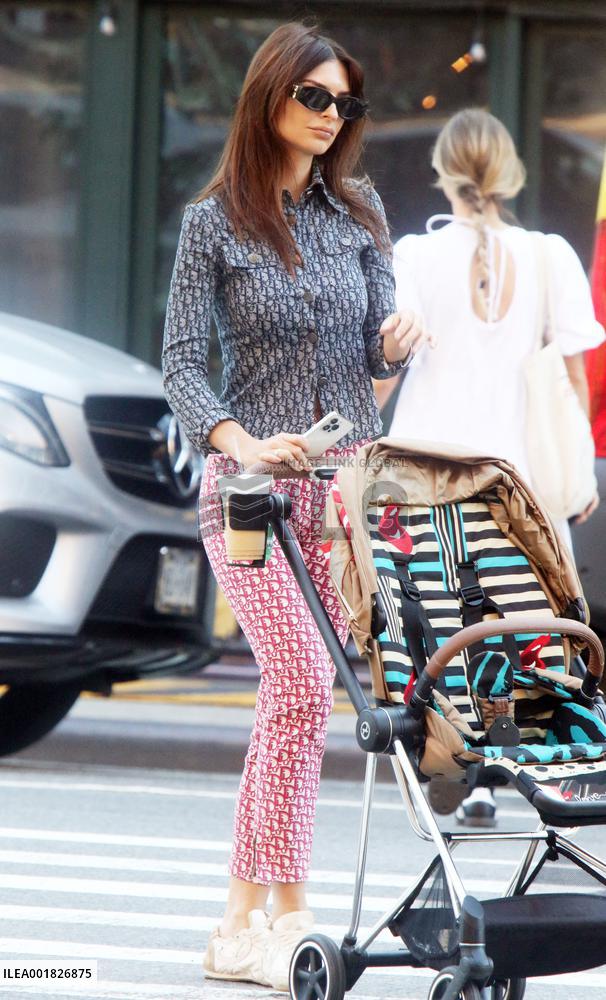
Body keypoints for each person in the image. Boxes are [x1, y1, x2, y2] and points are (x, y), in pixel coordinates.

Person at [162, 22, 430, 989]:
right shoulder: (214, 223)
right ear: (268, 94)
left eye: (344, 104)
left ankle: (245, 917)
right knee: (302, 683)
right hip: (250, 496)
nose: (329, 118)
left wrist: (397, 346)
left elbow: (370, 362)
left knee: (303, 698)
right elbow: (182, 363)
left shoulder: (360, 212)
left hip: (346, 496)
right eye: (313, 97)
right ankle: (284, 905)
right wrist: (239, 442)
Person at [374, 107, 605, 828]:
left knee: (435, 625)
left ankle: (449, 755)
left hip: (425, 476)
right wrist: (579, 475)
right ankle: (503, 766)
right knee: (520, 628)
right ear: (510, 172)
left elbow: (388, 364)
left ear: (443, 173)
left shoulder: (413, 256)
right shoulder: (551, 256)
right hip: (518, 478)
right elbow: (575, 380)